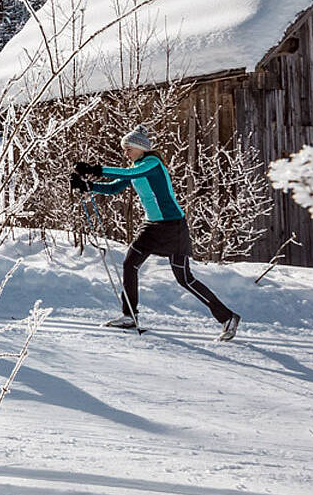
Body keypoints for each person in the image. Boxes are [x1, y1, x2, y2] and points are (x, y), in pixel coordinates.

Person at [74, 125, 239, 341]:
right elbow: (115, 187)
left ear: (140, 148)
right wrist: (88, 186)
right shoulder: (136, 166)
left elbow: (130, 173)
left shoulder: (152, 164)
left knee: (185, 279)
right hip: (151, 226)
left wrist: (96, 169)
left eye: (128, 148)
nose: (126, 153)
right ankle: (129, 315)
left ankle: (227, 317)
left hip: (172, 227)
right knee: (129, 264)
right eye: (124, 149)